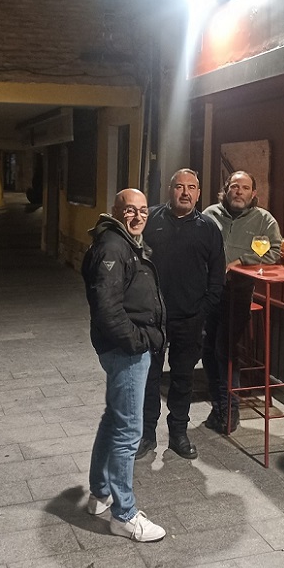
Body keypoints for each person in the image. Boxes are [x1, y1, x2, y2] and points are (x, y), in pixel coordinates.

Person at [81, 188, 167, 542]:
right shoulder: (113, 246)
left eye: (143, 210)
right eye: (130, 210)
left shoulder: (124, 242)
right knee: (128, 430)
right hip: (125, 349)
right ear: (115, 211)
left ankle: (100, 493)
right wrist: (136, 341)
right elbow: (106, 306)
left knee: (114, 419)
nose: (138, 216)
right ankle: (124, 515)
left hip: (124, 346)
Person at [139, 169, 226, 460]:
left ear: (198, 193)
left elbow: (217, 274)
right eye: (179, 187)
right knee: (149, 377)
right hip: (153, 317)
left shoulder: (208, 228)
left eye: (191, 187)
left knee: (182, 378)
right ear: (170, 189)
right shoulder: (151, 219)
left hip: (189, 318)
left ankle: (178, 433)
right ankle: (146, 435)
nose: (185, 192)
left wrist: (203, 310)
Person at [202, 170, 281, 434]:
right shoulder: (210, 214)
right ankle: (218, 406)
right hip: (208, 292)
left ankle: (229, 411)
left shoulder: (264, 220)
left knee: (224, 349)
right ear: (226, 190)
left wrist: (241, 261)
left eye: (245, 188)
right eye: (235, 187)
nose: (239, 192)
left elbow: (275, 252)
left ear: (253, 193)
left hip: (238, 292)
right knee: (208, 349)